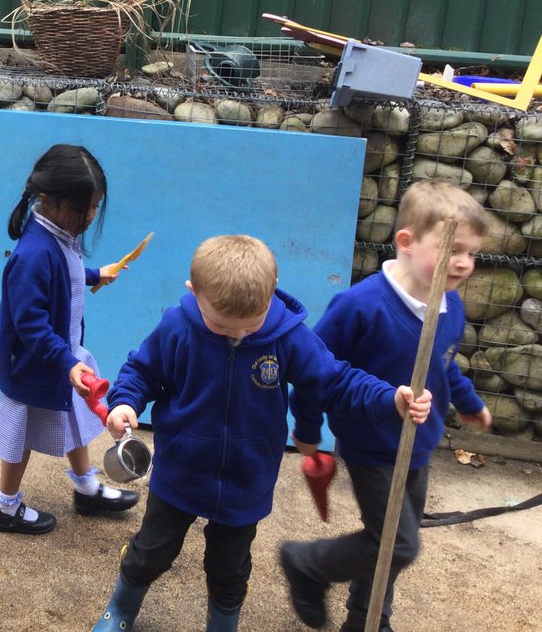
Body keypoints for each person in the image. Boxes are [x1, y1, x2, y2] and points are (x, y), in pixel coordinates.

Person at [91, 235, 432, 632]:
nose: (237, 334)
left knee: (230, 567)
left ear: (270, 296)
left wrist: (390, 399)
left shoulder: (287, 337)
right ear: (193, 291)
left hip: (246, 479)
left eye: (250, 324)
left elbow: (336, 380)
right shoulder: (177, 325)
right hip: (181, 470)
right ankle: (121, 606)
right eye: (220, 325)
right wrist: (125, 402)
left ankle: (223, 624)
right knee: (151, 551)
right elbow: (142, 370)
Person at [279, 180, 492, 631]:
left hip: (419, 441)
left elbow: (444, 362)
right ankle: (307, 564)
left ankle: (366, 619)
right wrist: (309, 429)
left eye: (472, 253)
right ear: (406, 242)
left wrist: (469, 401)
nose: (463, 263)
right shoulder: (360, 305)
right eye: (453, 248)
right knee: (399, 544)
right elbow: (316, 370)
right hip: (372, 444)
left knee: (388, 540)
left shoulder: (448, 305)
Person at [0, 143, 139, 535]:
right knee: (19, 434)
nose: (89, 217)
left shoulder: (58, 234)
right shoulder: (33, 254)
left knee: (75, 412)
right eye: (81, 209)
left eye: (94, 207)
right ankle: (4, 506)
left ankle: (86, 486)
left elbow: (68, 272)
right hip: (32, 364)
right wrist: (68, 362)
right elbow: (31, 324)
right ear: (47, 200)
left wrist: (94, 275)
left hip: (60, 357)